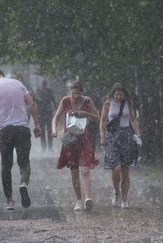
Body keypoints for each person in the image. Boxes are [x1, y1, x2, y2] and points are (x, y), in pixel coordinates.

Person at [0, 68, 41, 210]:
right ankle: (23, 184)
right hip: (22, 128)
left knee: (6, 165)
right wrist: (37, 125)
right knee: (24, 162)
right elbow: (31, 104)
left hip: (5, 130)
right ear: (2, 74)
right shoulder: (18, 84)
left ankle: (9, 200)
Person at [51, 81, 100, 211]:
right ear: (70, 92)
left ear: (82, 93)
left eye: (77, 93)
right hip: (70, 140)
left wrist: (86, 114)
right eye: (73, 93)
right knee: (74, 172)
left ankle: (88, 198)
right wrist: (54, 130)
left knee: (85, 169)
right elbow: (55, 117)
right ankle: (79, 200)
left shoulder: (87, 101)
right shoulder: (65, 101)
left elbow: (98, 118)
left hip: (84, 139)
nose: (75, 96)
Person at [100, 83, 140, 209]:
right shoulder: (107, 104)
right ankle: (116, 191)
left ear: (124, 95)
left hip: (126, 136)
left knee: (125, 170)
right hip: (112, 137)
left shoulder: (128, 103)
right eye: (116, 94)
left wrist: (138, 134)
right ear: (113, 94)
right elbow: (102, 121)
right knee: (115, 169)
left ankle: (124, 199)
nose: (118, 97)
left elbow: (133, 119)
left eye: (121, 95)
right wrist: (102, 136)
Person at [35, 79, 56, 152]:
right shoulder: (39, 91)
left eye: (44, 84)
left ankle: (47, 147)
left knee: (46, 131)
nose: (43, 85)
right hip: (44, 112)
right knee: (45, 131)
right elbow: (36, 100)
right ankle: (45, 147)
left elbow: (53, 100)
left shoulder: (45, 91)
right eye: (43, 84)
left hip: (45, 112)